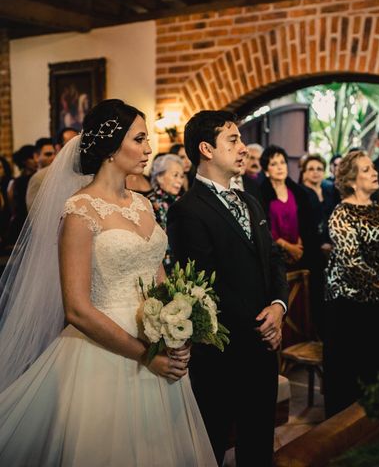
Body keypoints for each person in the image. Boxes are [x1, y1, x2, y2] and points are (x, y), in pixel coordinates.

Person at [0, 99, 216, 465]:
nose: (149, 148)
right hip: (105, 353)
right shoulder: (79, 211)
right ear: (112, 148)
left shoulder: (143, 205)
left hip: (155, 346)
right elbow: (77, 309)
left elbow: (158, 277)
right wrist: (145, 357)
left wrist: (179, 330)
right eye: (140, 139)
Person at [167, 110, 288, 466]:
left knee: (258, 447)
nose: (243, 148)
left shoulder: (250, 201)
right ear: (206, 148)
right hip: (222, 354)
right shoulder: (187, 211)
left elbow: (274, 260)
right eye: (233, 140)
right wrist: (260, 324)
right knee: (212, 446)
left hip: (264, 349)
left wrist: (279, 307)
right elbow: (203, 286)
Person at [324, 150, 379, 417]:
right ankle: (343, 435)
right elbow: (351, 262)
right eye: (366, 170)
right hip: (349, 305)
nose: (374, 173)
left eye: (373, 168)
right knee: (350, 374)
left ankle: (376, 431)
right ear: (350, 180)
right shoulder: (341, 214)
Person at [259, 145, 317, 270]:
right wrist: (289, 248)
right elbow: (265, 229)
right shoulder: (260, 195)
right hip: (274, 256)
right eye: (274, 164)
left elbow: (306, 223)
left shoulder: (298, 193)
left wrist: (299, 246)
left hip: (301, 252)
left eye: (282, 162)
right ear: (266, 171)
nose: (280, 167)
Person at [147, 153, 184, 269]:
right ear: (160, 177)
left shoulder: (181, 201)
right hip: (160, 266)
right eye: (175, 175)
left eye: (182, 176)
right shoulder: (150, 203)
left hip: (182, 264)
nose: (180, 181)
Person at [6, 144, 38, 244]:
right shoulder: (16, 182)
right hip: (21, 222)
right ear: (25, 161)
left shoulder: (37, 178)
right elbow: (12, 204)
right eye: (32, 158)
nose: (36, 161)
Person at [25, 137, 57, 211]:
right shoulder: (32, 179)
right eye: (48, 154)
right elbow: (33, 210)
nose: (53, 157)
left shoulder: (59, 176)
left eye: (55, 154)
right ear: (36, 157)